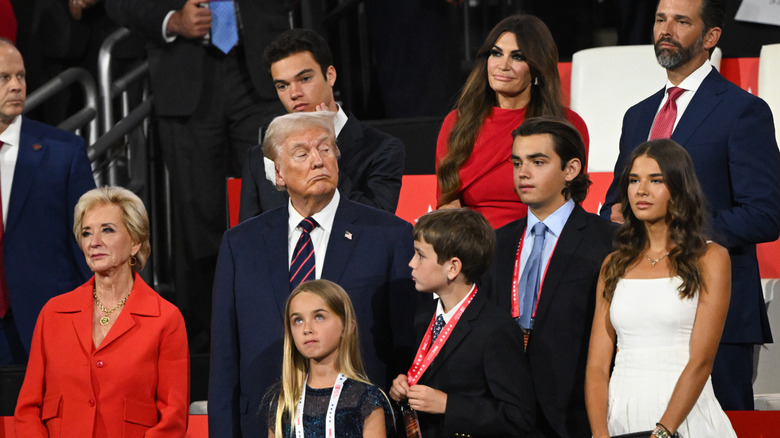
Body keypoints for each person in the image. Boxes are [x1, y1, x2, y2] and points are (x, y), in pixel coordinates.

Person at [599, 0, 780, 410]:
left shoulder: (744, 111)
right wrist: (609, 213)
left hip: (714, 308)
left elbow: (765, 215)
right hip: (642, 315)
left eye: (682, 21)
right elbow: (616, 199)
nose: (666, 29)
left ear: (710, 37)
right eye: (661, 19)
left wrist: (675, 232)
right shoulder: (637, 115)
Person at [209, 111, 417, 437]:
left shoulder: (389, 236)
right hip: (263, 423)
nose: (318, 161)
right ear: (278, 173)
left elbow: (406, 343)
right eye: (302, 153)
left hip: (359, 422)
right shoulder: (240, 243)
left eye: (325, 149)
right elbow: (224, 355)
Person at [104, 0, 288, 350]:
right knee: (199, 213)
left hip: (261, 69)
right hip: (186, 75)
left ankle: (280, 319)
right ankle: (212, 337)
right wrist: (170, 19)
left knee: (275, 200)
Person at [586, 140, 736, 437]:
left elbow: (701, 360)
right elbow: (597, 366)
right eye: (633, 180)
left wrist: (664, 431)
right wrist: (600, 433)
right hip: (621, 416)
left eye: (656, 180)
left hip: (685, 418)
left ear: (679, 189)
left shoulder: (711, 258)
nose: (641, 190)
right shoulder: (614, 264)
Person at [14, 186, 190, 437]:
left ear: (135, 242)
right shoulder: (54, 313)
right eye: (87, 233)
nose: (94, 241)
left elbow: (172, 418)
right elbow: (28, 409)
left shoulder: (165, 318)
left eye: (107, 229)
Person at [482, 117, 615, 438]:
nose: (522, 173)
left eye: (537, 162)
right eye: (517, 162)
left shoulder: (610, 241)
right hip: (508, 411)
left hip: (578, 412)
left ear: (571, 170)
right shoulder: (495, 243)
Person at [390, 208, 536, 437]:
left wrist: (449, 405)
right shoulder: (423, 315)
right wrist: (403, 385)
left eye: (420, 255)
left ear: (453, 267)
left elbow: (519, 418)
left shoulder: (496, 329)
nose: (411, 263)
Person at [435, 14, 590, 230]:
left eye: (517, 57)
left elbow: (569, 203)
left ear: (537, 67)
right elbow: (447, 202)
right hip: (473, 245)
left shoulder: (567, 125)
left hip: (540, 240)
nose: (503, 65)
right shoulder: (457, 122)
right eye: (496, 53)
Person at [239, 29, 405, 221]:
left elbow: (378, 224)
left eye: (305, 79)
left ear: (330, 75)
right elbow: (248, 239)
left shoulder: (381, 149)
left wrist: (325, 149)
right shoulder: (260, 158)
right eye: (282, 86)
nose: (294, 93)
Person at [0, 38, 95, 365]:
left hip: (46, 321)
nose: (16, 86)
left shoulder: (63, 152)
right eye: (4, 78)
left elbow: (89, 241)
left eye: (21, 77)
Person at [266, 279, 393, 437]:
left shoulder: (365, 399)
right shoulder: (282, 399)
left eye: (319, 317)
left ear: (346, 326)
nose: (307, 329)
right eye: (298, 320)